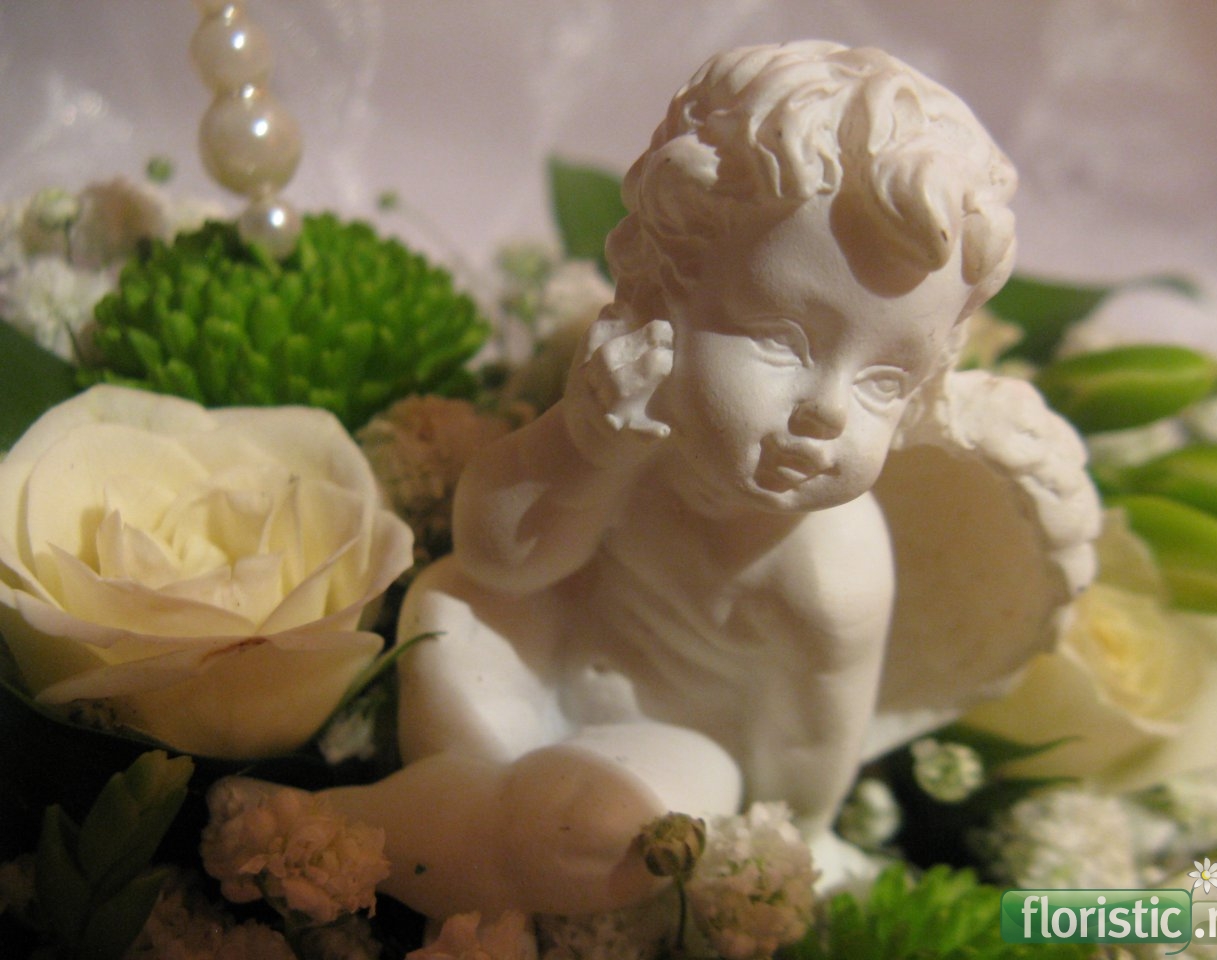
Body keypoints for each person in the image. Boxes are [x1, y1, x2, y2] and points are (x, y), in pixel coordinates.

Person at [325, 40, 1092, 920]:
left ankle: (376, 836)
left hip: (671, 745)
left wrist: (789, 848)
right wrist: (586, 448)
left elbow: (807, 747)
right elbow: (503, 560)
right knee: (449, 607)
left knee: (598, 825)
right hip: (543, 661)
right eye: (784, 341)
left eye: (885, 383)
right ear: (666, 292)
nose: (827, 409)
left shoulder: (831, 570)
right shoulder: (634, 418)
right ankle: (421, 829)